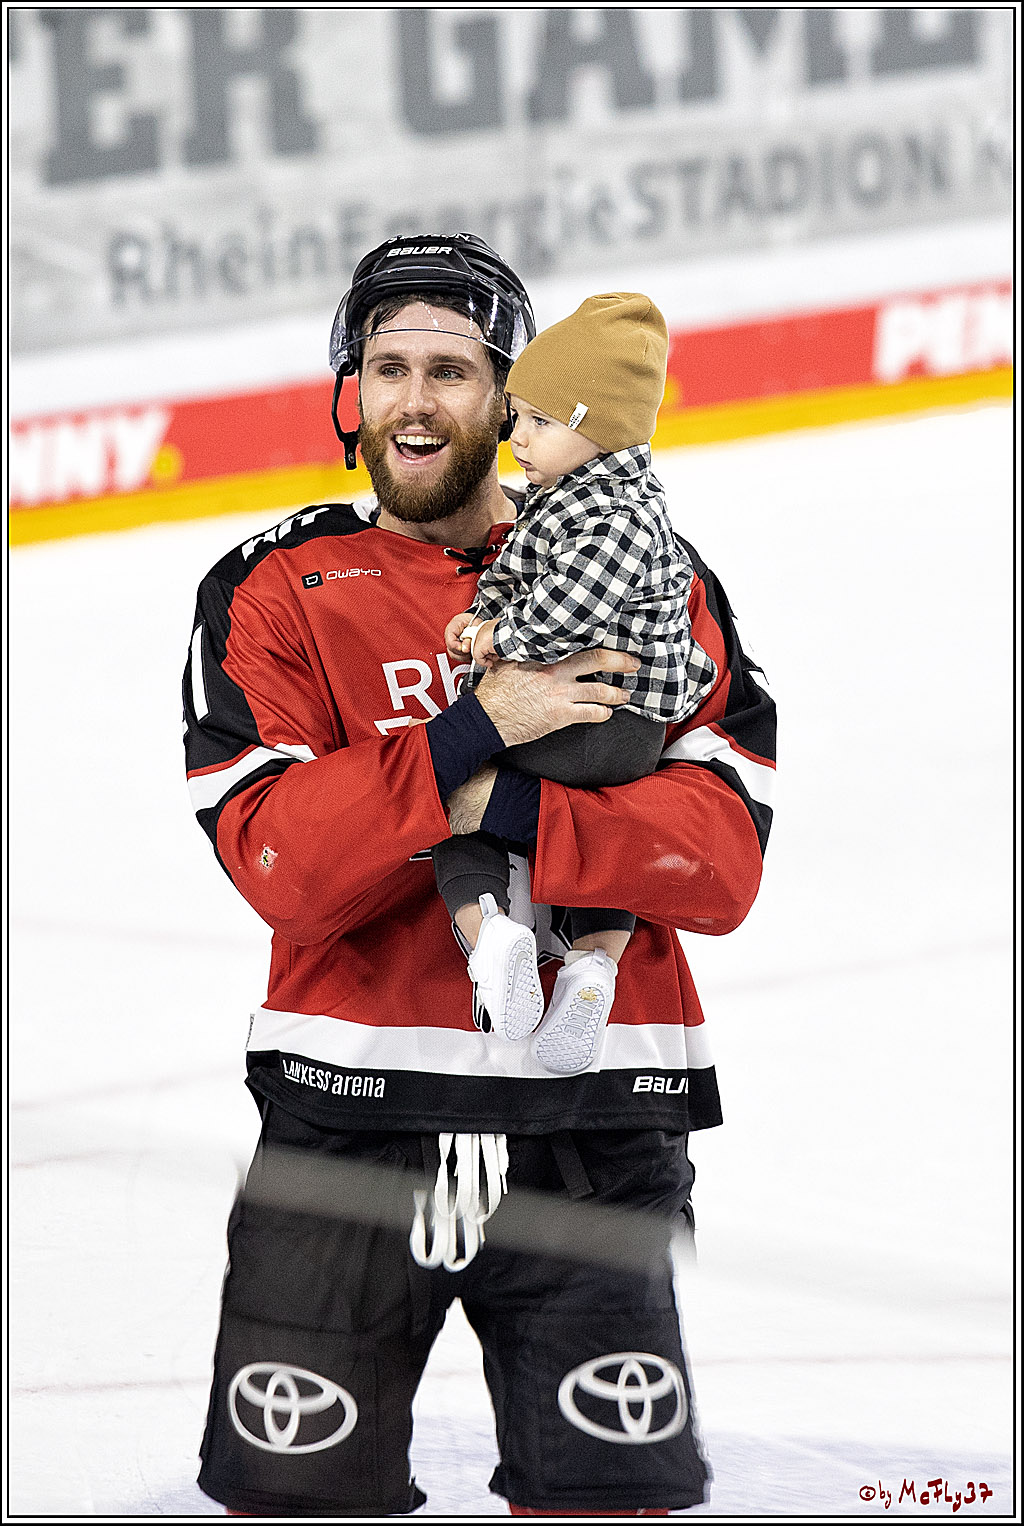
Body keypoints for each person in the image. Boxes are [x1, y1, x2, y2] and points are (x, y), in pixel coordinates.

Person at [183, 232, 776, 1518]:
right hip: (347, 1112)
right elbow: (284, 858)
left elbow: (718, 862)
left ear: (507, 395)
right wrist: (473, 726)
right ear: (353, 392)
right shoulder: (272, 588)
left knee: (603, 1499)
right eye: (385, 365)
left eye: (449, 367)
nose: (412, 397)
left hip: (596, 1112)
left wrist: (489, 799)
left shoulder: (656, 578)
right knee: (300, 1500)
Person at [432, 293, 718, 1078]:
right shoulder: (578, 497)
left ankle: (492, 931)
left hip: (601, 727)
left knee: (453, 800)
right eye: (516, 415)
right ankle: (592, 968)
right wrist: (482, 613)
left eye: (539, 422)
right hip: (617, 741)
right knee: (607, 841)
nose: (513, 436)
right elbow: (526, 574)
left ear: (596, 425)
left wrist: (495, 638)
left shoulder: (614, 514)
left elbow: (566, 609)